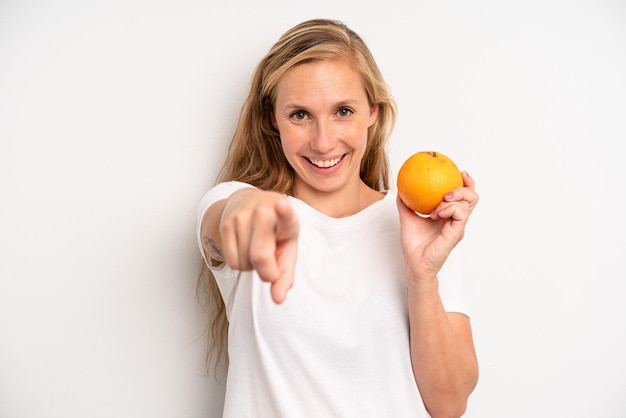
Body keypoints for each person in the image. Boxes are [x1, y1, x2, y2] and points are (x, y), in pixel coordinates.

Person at [196, 18, 479, 418]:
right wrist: (246, 206)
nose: (324, 141)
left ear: (372, 114)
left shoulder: (423, 225)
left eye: (342, 110)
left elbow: (450, 405)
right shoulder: (237, 204)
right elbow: (225, 221)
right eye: (300, 115)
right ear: (272, 119)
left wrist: (422, 278)